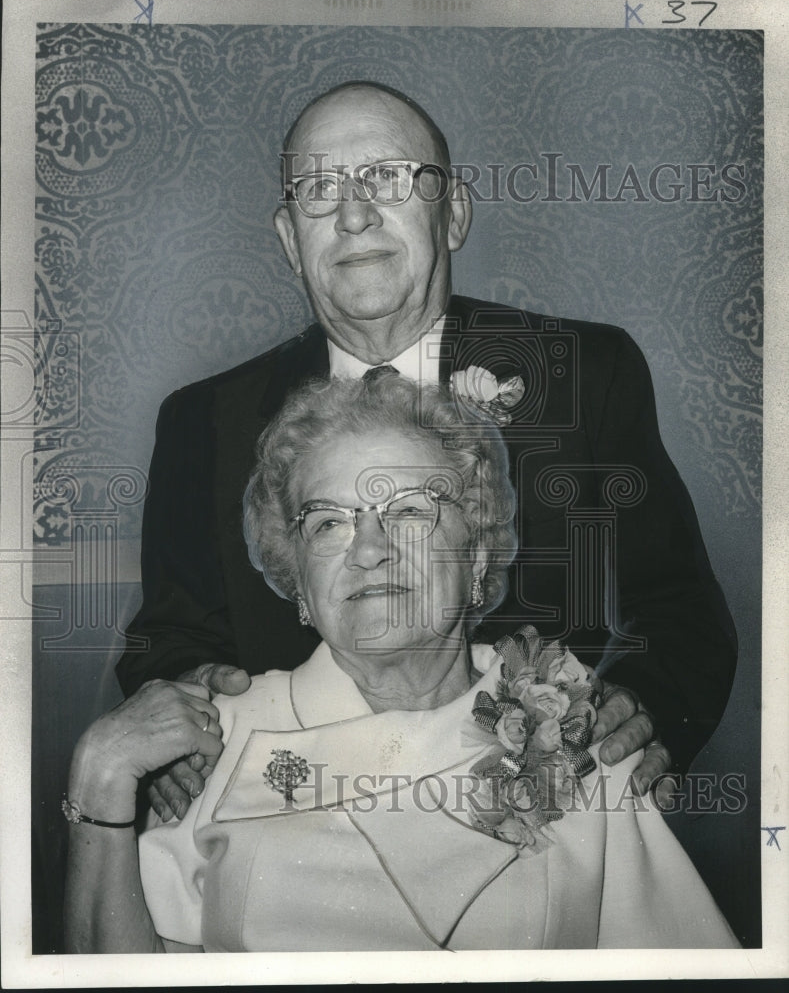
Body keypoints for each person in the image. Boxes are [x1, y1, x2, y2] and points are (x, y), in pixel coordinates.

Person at [115, 81, 737, 820]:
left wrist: (648, 711)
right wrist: (188, 702)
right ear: (289, 238)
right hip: (293, 827)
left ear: (453, 215)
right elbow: (167, 640)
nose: (352, 214)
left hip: (539, 829)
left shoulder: (581, 374)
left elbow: (675, 612)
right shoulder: (202, 420)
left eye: (386, 177)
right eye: (320, 189)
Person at [66, 375, 738, 952]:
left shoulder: (574, 725)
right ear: (297, 577)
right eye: (328, 522)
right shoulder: (215, 738)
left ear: (476, 555)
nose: (368, 549)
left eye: (410, 511)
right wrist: (99, 773)